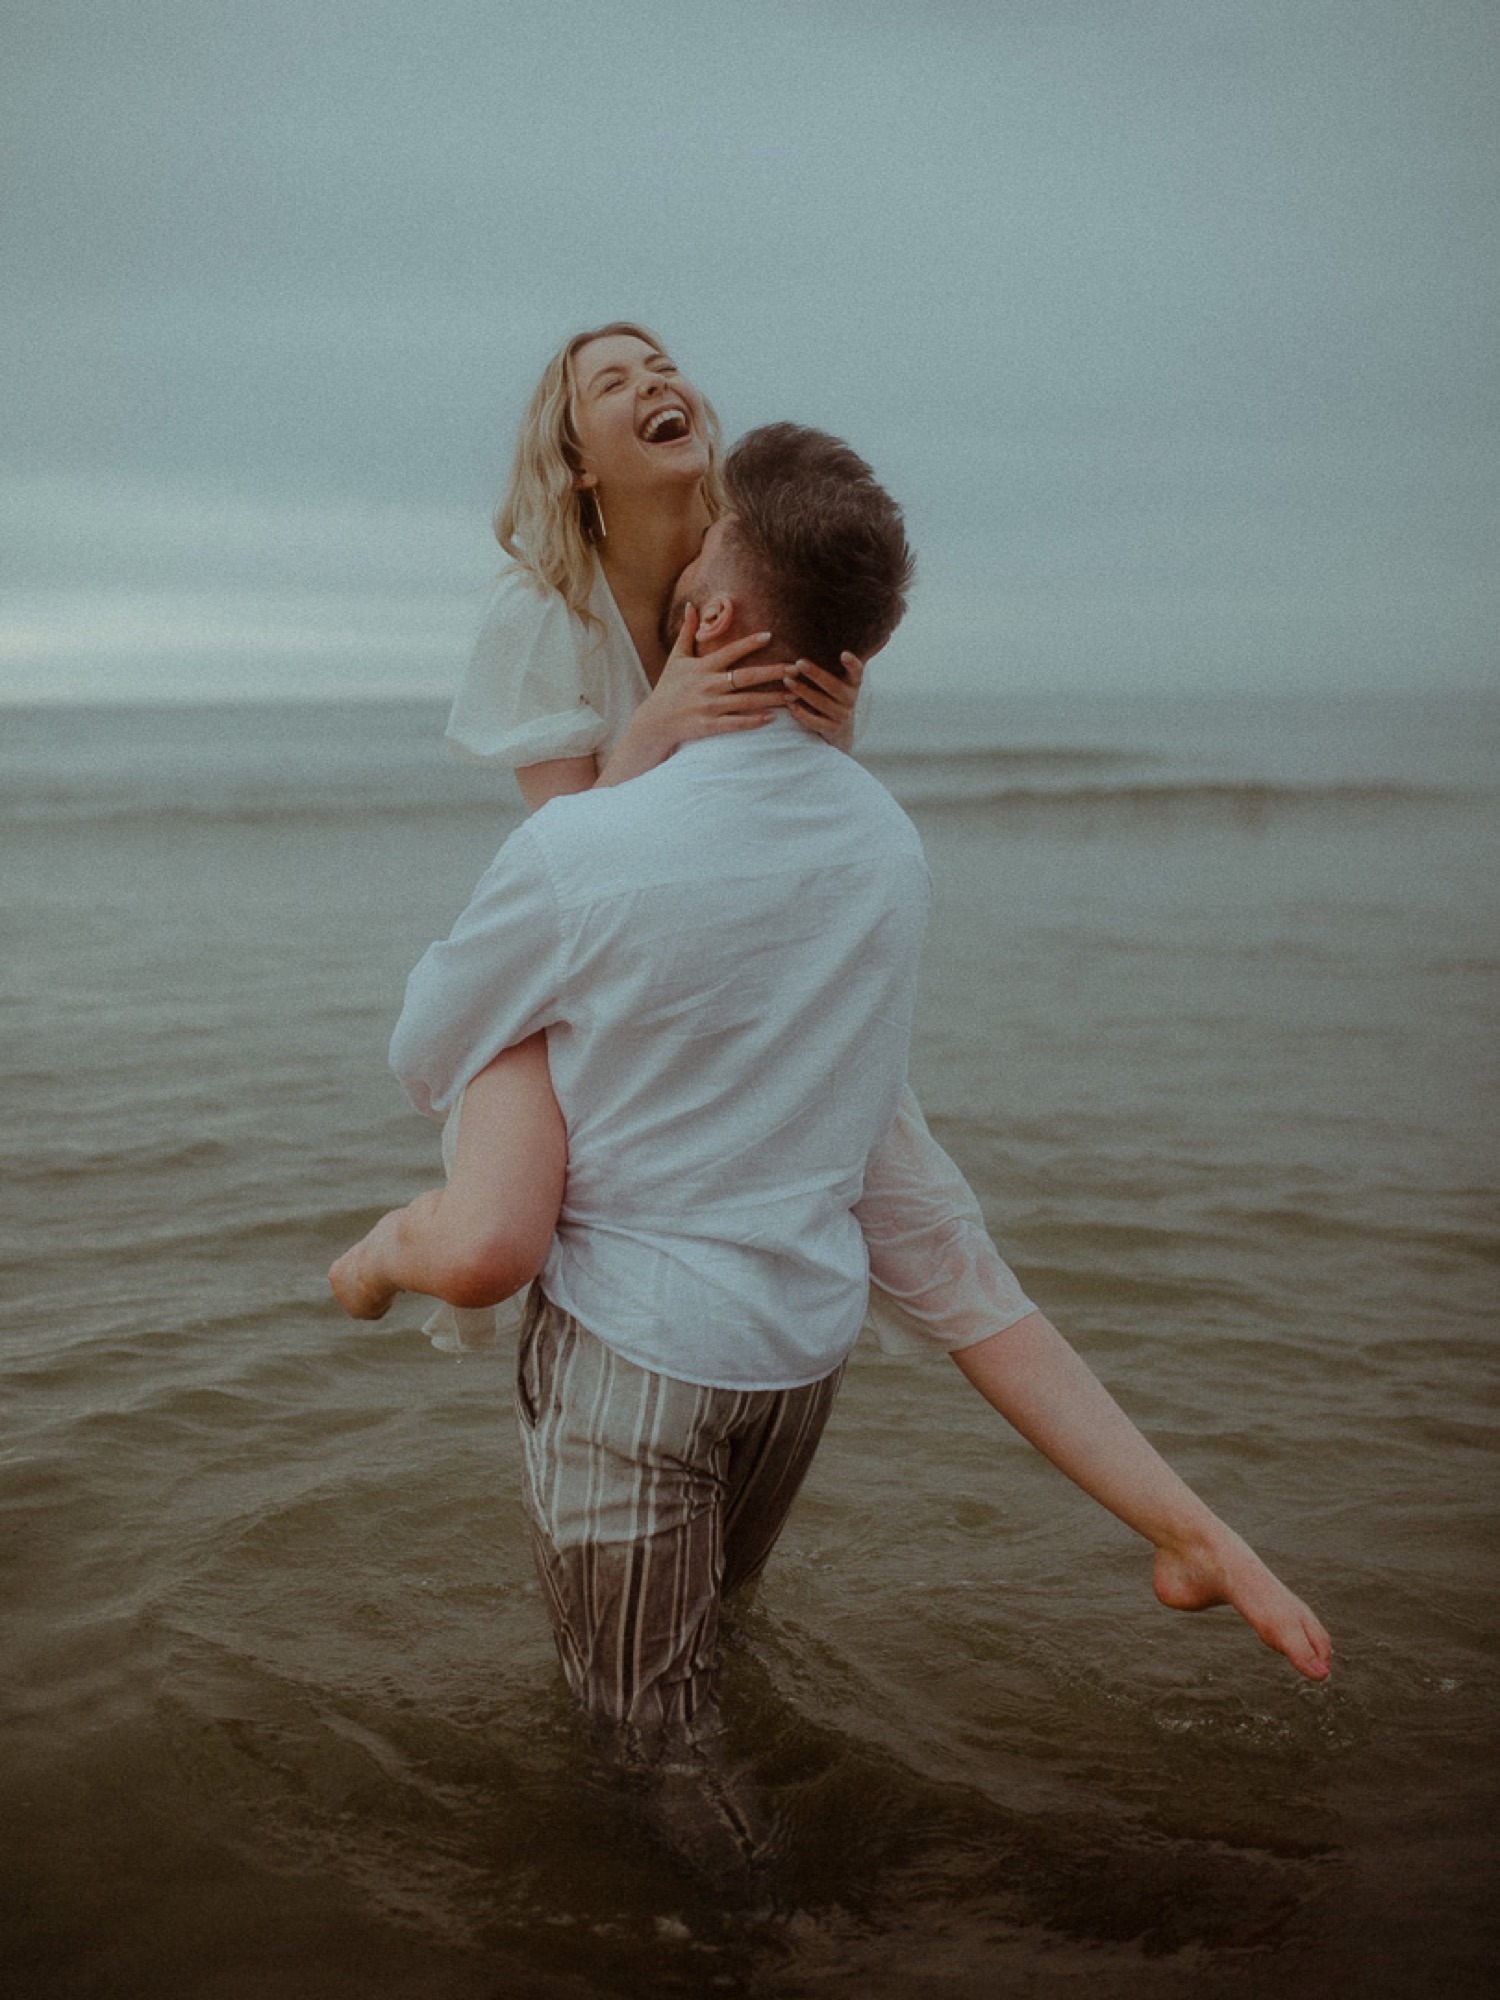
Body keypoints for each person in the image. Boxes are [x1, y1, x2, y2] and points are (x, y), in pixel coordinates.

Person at [342, 422, 1332, 1764]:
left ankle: (790, 1950)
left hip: (642, 1365)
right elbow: (907, 1203)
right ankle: (1190, 1541)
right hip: (797, 1367)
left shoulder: (584, 853)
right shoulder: (886, 845)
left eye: (702, 554)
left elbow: (424, 1052)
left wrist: (537, 970)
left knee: (645, 1752)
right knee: (720, 1656)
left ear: (713, 613)